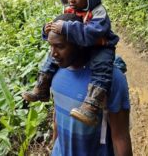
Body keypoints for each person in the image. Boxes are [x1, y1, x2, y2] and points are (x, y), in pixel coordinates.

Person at [23, 0, 119, 126]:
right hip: (79, 44)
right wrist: (47, 30)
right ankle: (42, 87)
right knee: (53, 55)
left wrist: (66, 27)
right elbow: (60, 32)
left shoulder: (98, 12)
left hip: (100, 44)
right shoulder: (71, 10)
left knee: (101, 67)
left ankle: (92, 105)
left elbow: (90, 34)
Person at [48, 13, 132, 155]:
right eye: (51, 46)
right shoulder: (55, 71)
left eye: (60, 46)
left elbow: (120, 137)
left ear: (80, 44)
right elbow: (58, 118)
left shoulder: (110, 79)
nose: (53, 54)